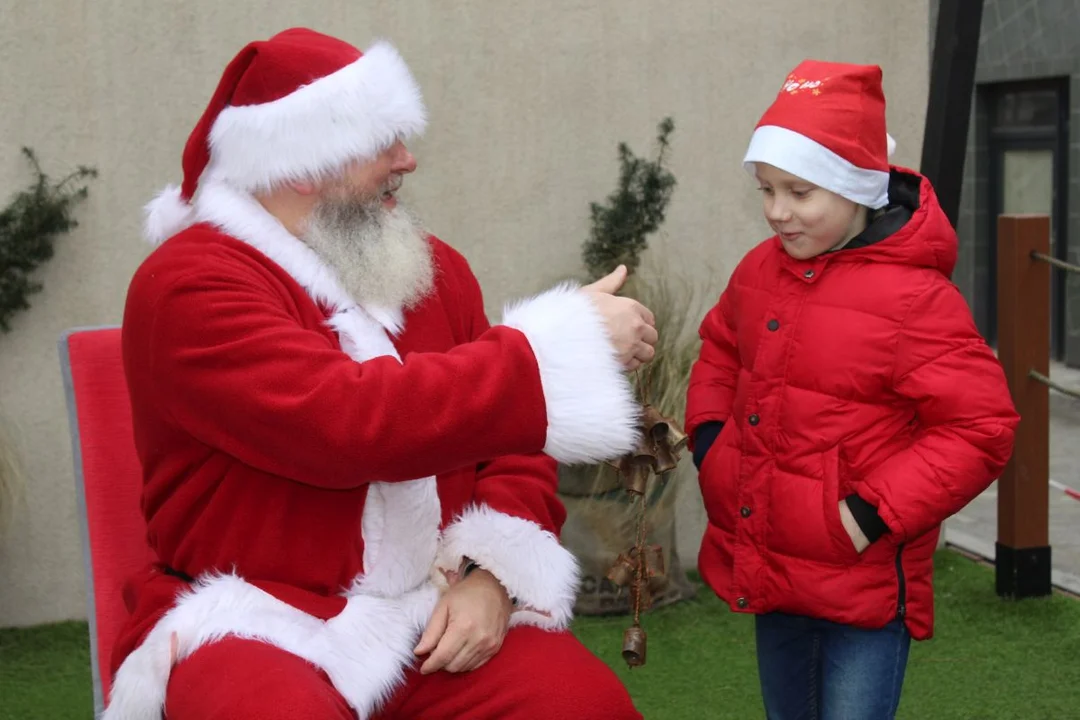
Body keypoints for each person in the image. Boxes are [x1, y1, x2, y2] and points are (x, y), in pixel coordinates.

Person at [107, 27, 655, 720]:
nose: (408, 160)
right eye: (383, 142)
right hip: (254, 615)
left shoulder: (432, 270)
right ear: (306, 161)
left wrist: (494, 577)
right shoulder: (188, 285)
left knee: (582, 704)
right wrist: (550, 351)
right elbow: (347, 424)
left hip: (428, 604)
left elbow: (508, 447)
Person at [685, 60, 1019, 720]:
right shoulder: (759, 272)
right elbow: (721, 349)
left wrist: (870, 514)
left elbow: (982, 426)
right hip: (772, 569)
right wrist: (711, 442)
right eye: (767, 189)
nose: (777, 211)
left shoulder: (917, 298)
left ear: (857, 188)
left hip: (861, 587)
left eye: (800, 192)